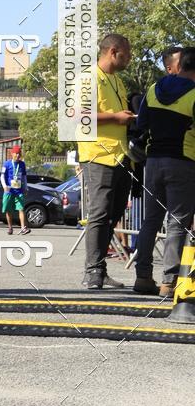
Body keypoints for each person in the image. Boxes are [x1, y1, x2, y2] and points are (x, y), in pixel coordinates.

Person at [133, 47, 195, 297]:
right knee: (178, 223)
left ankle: (142, 277)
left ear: (179, 66)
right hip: (183, 162)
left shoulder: (153, 89)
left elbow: (141, 124)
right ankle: (169, 282)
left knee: (151, 220)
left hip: (153, 161)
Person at [78, 34, 135, 290]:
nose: (130, 57)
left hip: (121, 155)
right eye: (127, 52)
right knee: (99, 213)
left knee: (113, 214)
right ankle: (92, 272)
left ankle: (100, 269)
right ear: (114, 51)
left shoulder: (117, 81)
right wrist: (115, 117)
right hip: (99, 155)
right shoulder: (88, 78)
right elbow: (79, 115)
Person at [1, 145, 30, 235]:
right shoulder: (7, 164)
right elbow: (2, 176)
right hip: (9, 191)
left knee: (21, 209)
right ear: (12, 154)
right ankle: (10, 228)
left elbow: (24, 177)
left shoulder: (22, 164)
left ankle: (23, 228)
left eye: (19, 153)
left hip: (19, 190)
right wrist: (4, 186)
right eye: (16, 153)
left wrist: (25, 187)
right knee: (8, 210)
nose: (17, 155)